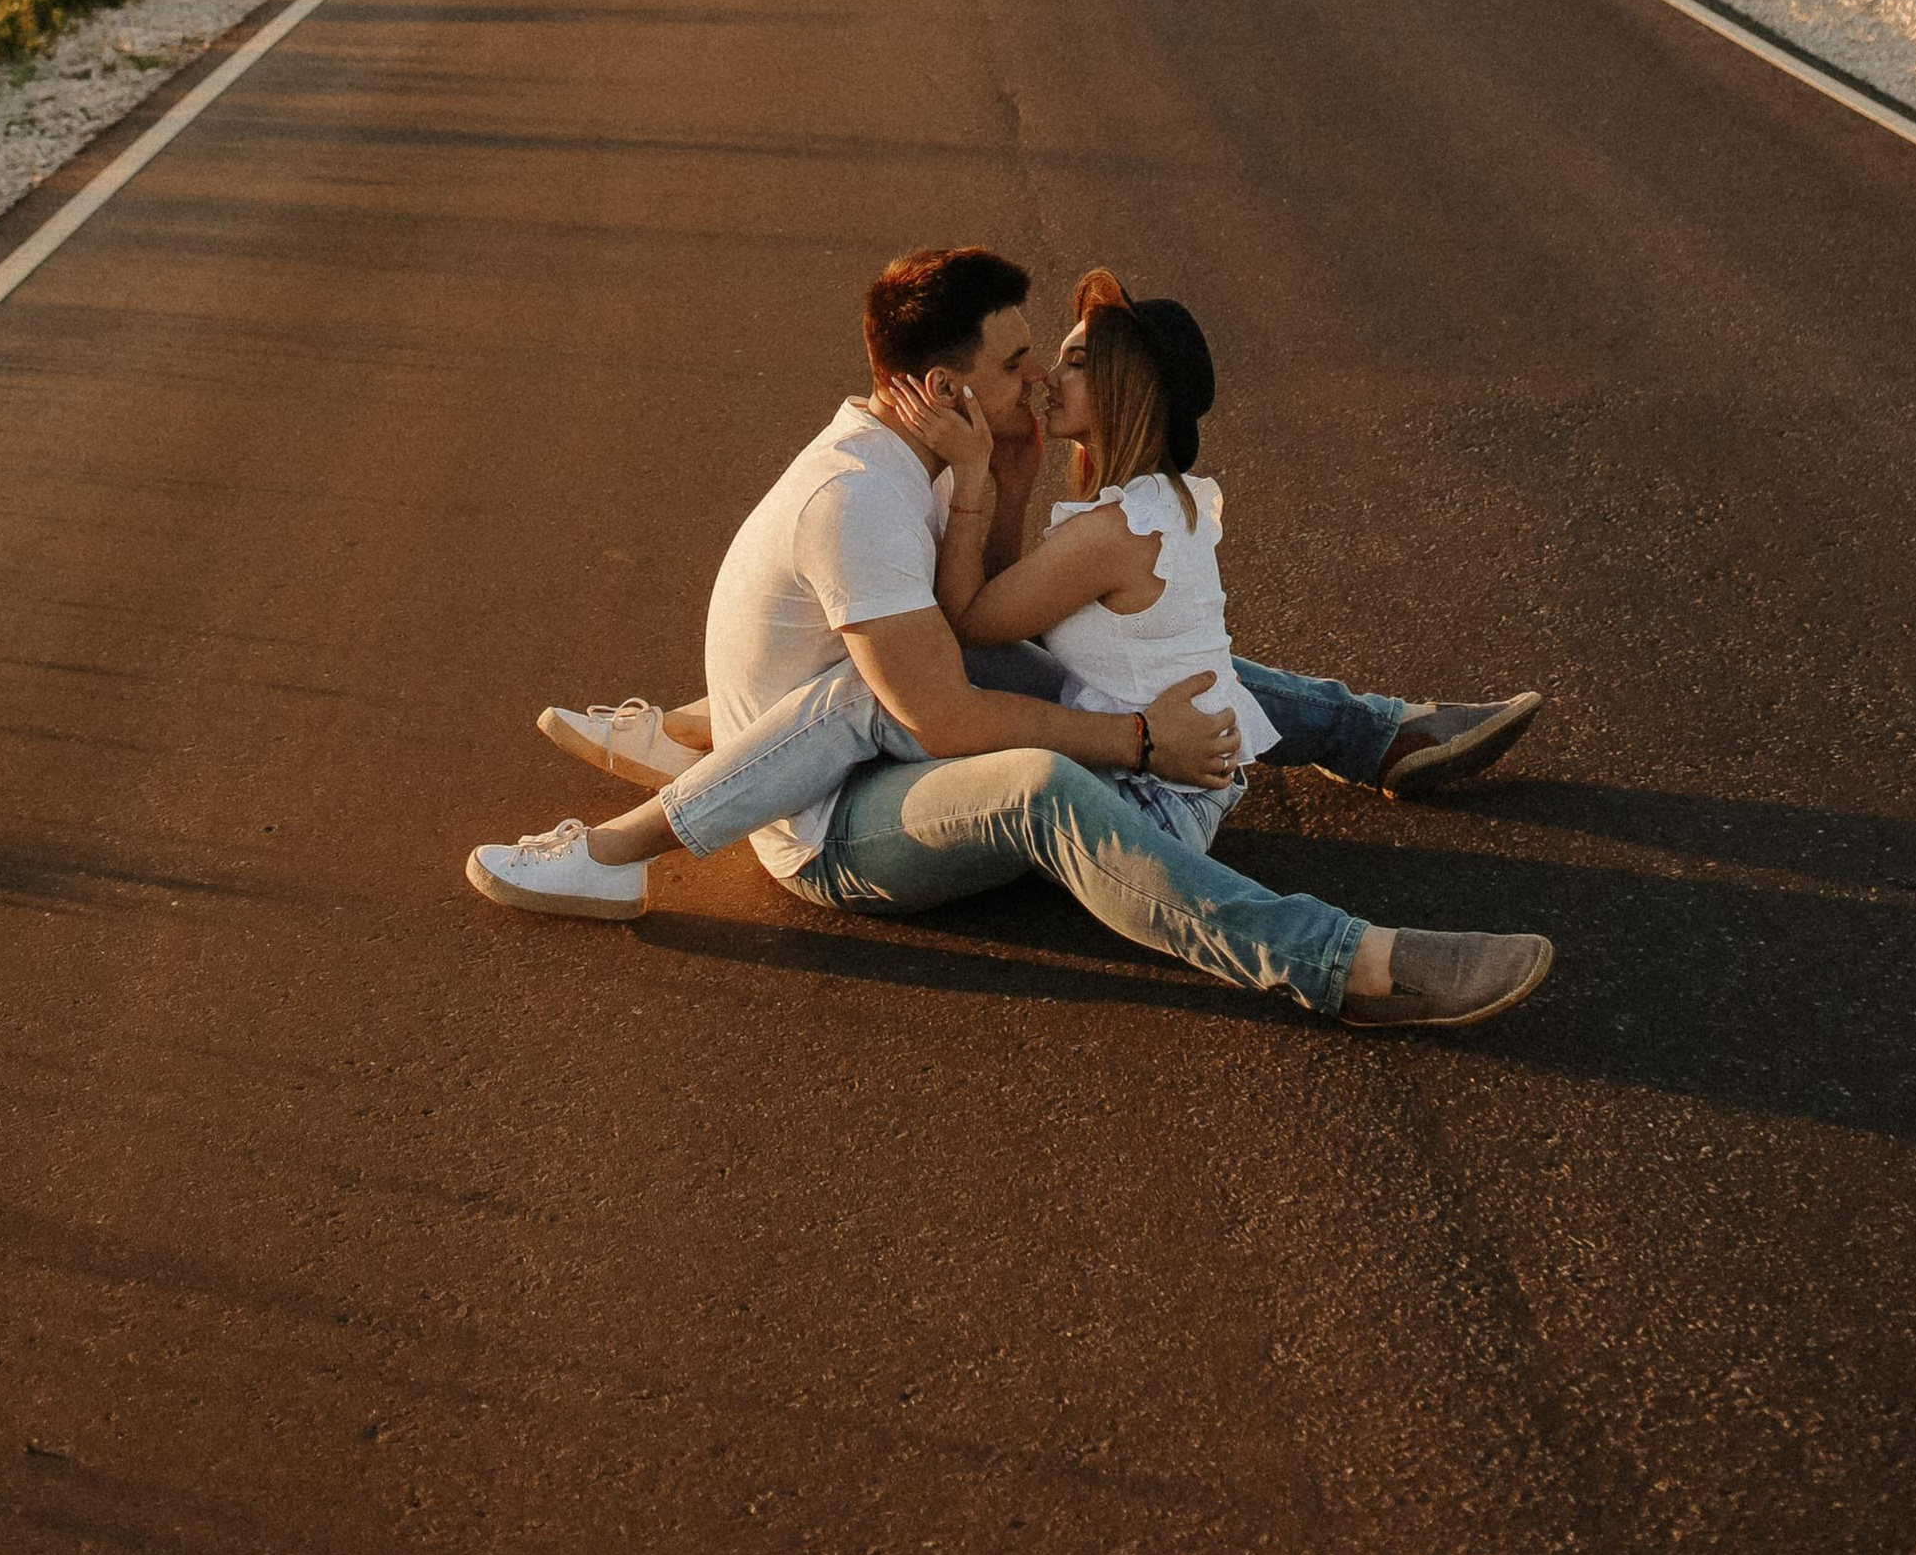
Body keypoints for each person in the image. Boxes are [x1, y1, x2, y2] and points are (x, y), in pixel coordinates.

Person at [467, 247, 1552, 1029]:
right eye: (1021, 362)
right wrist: (1137, 742)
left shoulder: (915, 463)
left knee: (1065, 662)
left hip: (871, 737)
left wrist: (1004, 479)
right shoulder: (862, 503)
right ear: (945, 389)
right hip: (827, 829)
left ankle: (1376, 735)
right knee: (1017, 764)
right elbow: (937, 702)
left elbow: (970, 622)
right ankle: (1335, 958)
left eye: (1055, 361)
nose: (1036, 379)